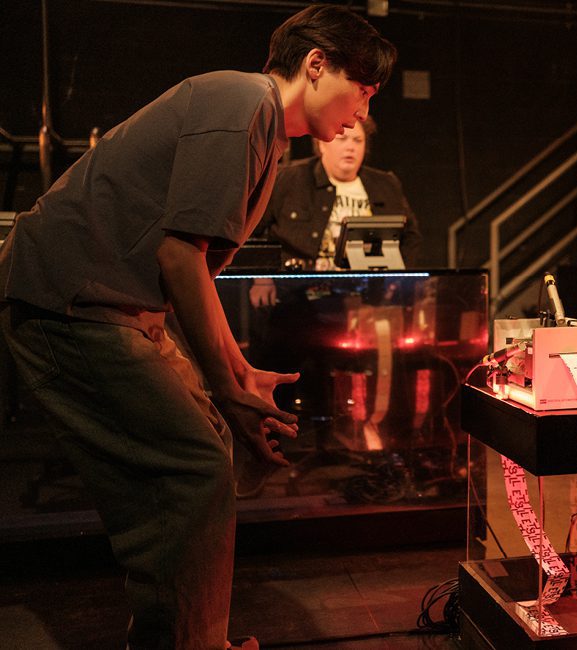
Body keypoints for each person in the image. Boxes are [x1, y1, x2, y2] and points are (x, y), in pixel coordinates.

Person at [0, 5, 396, 648]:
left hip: (114, 307)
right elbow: (179, 257)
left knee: (209, 447)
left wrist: (237, 377)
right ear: (316, 64)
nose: (362, 114)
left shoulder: (267, 134)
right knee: (191, 469)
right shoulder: (244, 101)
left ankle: (192, 639)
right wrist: (229, 386)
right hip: (69, 300)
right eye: (364, 90)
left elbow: (195, 270)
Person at [250, 117, 421, 307]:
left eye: (358, 140)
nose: (350, 147)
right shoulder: (289, 179)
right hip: (299, 296)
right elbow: (252, 231)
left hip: (366, 299)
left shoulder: (386, 184)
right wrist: (262, 278)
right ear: (321, 144)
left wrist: (398, 281)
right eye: (342, 139)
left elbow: (411, 236)